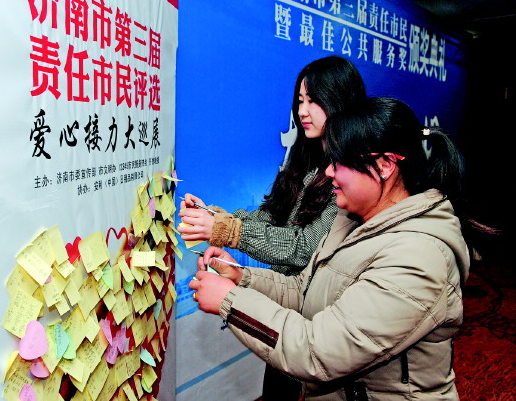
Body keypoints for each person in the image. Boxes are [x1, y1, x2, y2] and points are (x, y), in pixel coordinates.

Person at [189, 97, 474, 400]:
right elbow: (303, 291)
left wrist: (230, 300)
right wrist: (241, 277)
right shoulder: (350, 219)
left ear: (384, 165)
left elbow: (319, 353)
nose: (327, 173)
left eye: (338, 162)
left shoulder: (417, 256)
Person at [179, 56, 366, 400]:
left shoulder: (351, 173)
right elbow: (271, 214)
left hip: (318, 321)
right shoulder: (306, 156)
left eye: (314, 101)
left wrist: (227, 231)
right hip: (285, 310)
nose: (303, 111)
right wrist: (216, 217)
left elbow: (304, 247)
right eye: (300, 101)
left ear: (340, 102)